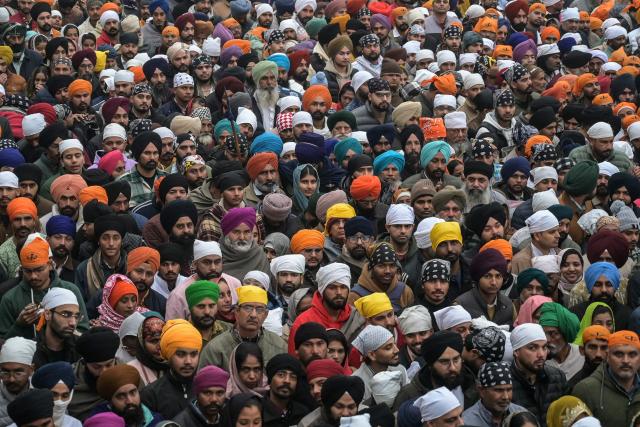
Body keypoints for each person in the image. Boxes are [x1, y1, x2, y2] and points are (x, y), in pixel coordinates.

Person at [0, 234, 88, 340]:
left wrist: (59, 324)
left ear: (50, 265)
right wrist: (19, 325)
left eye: (39, 270)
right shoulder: (10, 298)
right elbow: (3, 345)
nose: (33, 276)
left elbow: (83, 333)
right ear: (21, 269)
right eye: (28, 271)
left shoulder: (70, 291)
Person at [199, 285, 287, 369]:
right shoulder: (216, 349)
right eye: (248, 308)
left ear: (265, 314)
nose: (253, 315)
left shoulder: (278, 345)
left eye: (259, 310)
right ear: (236, 311)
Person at [392, 331, 477, 411]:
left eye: (456, 360)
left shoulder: (473, 384)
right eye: (444, 362)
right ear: (430, 365)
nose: (453, 368)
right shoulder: (410, 395)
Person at [288, 263, 362, 354]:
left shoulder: (357, 318)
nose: (339, 292)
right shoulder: (303, 321)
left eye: (343, 287)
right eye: (332, 287)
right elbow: (295, 360)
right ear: (322, 291)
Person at [573, 330, 640, 427]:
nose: (626, 361)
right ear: (607, 356)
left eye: (632, 354)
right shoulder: (586, 390)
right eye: (619, 354)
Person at [141, 319, 202, 420]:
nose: (188, 361)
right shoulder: (151, 395)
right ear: (168, 355)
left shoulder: (206, 389)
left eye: (193, 354)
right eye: (181, 354)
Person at [510, 323, 567, 425]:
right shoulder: (505, 383)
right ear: (516, 351)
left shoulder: (557, 377)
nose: (541, 354)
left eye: (544, 347)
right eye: (532, 348)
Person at [68, 327, 120, 421]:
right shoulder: (69, 384)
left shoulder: (128, 377)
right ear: (85, 364)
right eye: (97, 367)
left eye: (109, 365)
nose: (104, 372)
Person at [352, 324, 408, 400]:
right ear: (372, 355)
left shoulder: (400, 370)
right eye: (388, 348)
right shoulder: (356, 384)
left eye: (394, 344)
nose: (397, 350)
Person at [94, 364, 162, 426]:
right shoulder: (99, 423)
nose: (129, 401)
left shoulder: (155, 420)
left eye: (133, 393)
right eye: (121, 396)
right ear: (110, 400)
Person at [32, 288, 82, 368]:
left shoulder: (81, 348)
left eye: (76, 316)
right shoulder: (31, 351)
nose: (73, 322)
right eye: (65, 314)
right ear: (47, 314)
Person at [538, 302, 583, 382]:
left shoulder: (581, 355)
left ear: (565, 333)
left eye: (553, 334)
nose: (547, 340)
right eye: (543, 334)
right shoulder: (539, 359)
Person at [262, 354, 309, 427]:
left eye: (293, 377)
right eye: (281, 375)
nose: (287, 381)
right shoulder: (257, 411)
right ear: (270, 380)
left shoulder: (303, 414)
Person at [30, 361, 82, 427]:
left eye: (65, 395)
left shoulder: (75, 424)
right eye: (53, 395)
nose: (59, 402)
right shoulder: (21, 424)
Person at [0, 336, 37, 425]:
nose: (11, 379)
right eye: (5, 372)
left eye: (18, 372)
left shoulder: (43, 393)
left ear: (31, 369)